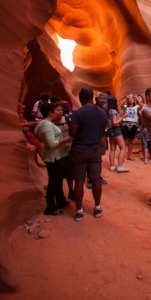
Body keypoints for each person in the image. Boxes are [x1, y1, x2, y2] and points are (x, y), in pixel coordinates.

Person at [69, 87, 108, 222]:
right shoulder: (102, 113)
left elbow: (72, 133)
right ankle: (97, 207)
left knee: (79, 181)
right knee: (95, 179)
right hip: (95, 150)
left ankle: (79, 210)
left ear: (82, 97)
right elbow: (102, 130)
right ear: (92, 97)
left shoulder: (77, 113)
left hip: (80, 150)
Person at [34, 102, 70, 215]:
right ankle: (50, 207)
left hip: (54, 156)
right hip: (52, 157)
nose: (58, 112)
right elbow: (51, 144)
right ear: (50, 112)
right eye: (56, 110)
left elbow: (36, 133)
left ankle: (60, 201)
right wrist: (66, 139)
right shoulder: (47, 124)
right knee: (53, 182)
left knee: (58, 180)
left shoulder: (44, 123)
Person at [53, 102, 74, 200]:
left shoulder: (67, 119)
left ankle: (71, 191)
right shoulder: (51, 122)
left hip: (68, 149)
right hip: (58, 150)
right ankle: (59, 194)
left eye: (61, 110)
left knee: (70, 172)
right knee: (59, 174)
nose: (60, 112)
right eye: (57, 110)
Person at [107, 96, 129, 173]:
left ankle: (112, 166)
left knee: (113, 149)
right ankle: (120, 166)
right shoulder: (113, 111)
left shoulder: (109, 111)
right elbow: (115, 123)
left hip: (110, 131)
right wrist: (123, 117)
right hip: (116, 130)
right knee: (123, 147)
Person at [121, 94, 140, 161]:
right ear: (128, 100)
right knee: (124, 141)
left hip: (134, 125)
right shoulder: (125, 107)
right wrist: (125, 98)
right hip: (125, 124)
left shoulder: (137, 107)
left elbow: (142, 107)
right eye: (130, 99)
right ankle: (122, 156)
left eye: (132, 98)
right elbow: (121, 105)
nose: (131, 99)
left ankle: (129, 156)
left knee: (131, 141)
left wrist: (137, 99)